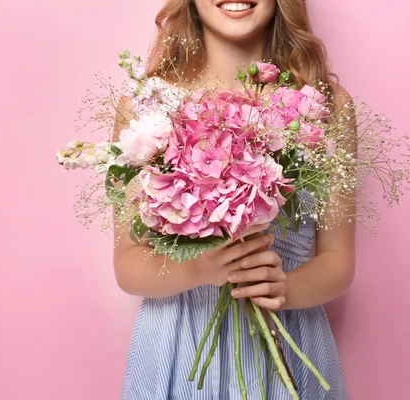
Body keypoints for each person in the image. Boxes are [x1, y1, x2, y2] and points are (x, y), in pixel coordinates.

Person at [113, 0, 357, 398]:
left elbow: (339, 260)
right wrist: (198, 270)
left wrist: (284, 288)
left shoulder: (323, 106)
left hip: (287, 335)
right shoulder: (144, 108)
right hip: (180, 340)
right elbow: (126, 263)